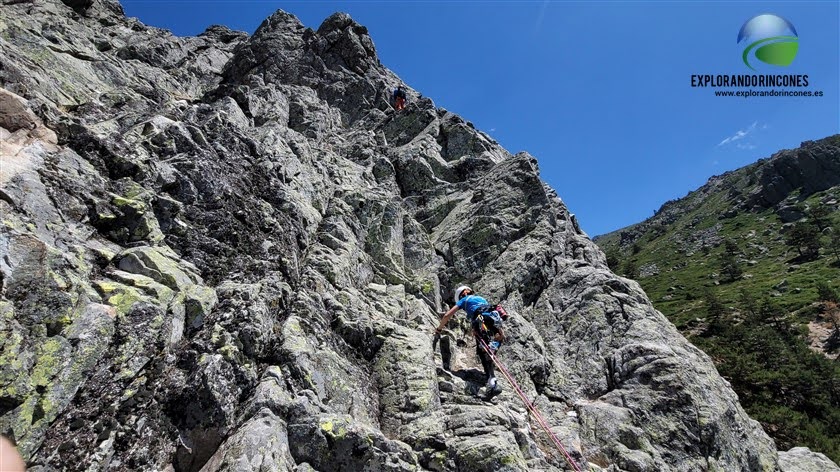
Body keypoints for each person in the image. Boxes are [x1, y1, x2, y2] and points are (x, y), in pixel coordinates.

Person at [435, 285, 505, 399]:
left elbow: (448, 315)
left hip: (480, 320)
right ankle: (491, 380)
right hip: (494, 320)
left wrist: (438, 329)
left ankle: (492, 383)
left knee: (483, 352)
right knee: (489, 351)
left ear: (462, 294)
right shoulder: (482, 299)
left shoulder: (464, 300)